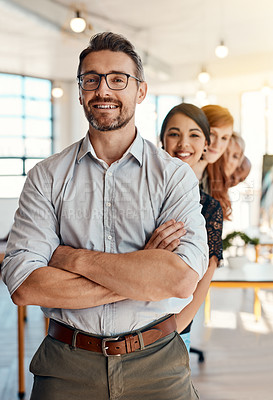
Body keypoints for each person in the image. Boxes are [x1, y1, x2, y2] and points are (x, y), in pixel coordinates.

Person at [1, 32, 208, 400]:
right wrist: (142, 273)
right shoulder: (46, 177)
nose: (103, 90)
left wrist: (67, 257)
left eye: (118, 79)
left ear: (140, 91)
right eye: (91, 79)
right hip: (66, 366)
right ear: (81, 90)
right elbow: (25, 285)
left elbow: (179, 281)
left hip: (157, 364)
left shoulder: (173, 176)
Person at [159, 103, 223, 351]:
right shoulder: (142, 196)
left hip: (174, 330)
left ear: (206, 144)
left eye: (194, 135)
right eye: (174, 134)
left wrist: (172, 331)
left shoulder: (209, 208)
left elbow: (204, 277)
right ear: (162, 141)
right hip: (127, 325)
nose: (184, 143)